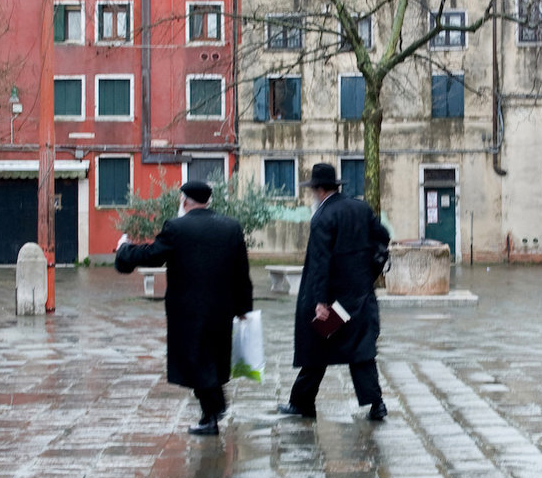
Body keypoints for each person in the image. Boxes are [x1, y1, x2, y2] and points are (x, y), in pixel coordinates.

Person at [116, 180, 253, 436]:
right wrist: (244, 307)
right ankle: (212, 411)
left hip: (188, 312)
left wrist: (124, 249)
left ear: (185, 200)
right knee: (210, 360)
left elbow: (151, 255)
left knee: (195, 362)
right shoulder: (231, 227)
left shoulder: (177, 227)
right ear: (208, 201)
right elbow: (241, 272)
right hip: (222, 310)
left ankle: (211, 416)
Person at [278, 163, 390, 421]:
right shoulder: (361, 208)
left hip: (334, 302)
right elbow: (382, 237)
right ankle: (377, 405)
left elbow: (320, 262)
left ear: (318, 189)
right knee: (362, 350)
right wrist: (368, 271)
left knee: (317, 347)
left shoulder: (322, 218)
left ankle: (301, 403)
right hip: (360, 296)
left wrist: (319, 301)